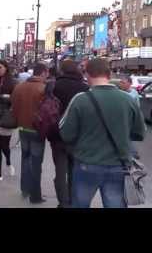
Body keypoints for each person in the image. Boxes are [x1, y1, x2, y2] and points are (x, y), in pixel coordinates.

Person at [59, 58, 145, 208]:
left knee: (80, 204)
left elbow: (66, 133)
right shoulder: (128, 99)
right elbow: (139, 133)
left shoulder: (80, 100)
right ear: (109, 74)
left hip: (87, 163)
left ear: (87, 75)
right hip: (119, 164)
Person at [51, 60, 89, 208]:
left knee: (60, 171)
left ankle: (63, 203)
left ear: (62, 70)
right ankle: (73, 200)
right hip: (77, 137)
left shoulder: (54, 86)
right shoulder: (84, 88)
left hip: (57, 134)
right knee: (75, 171)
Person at [11, 62, 48, 204]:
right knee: (36, 163)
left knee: (25, 159)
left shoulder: (19, 87)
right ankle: (35, 195)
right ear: (44, 73)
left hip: (22, 128)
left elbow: (14, 107)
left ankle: (25, 188)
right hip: (37, 130)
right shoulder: (43, 88)